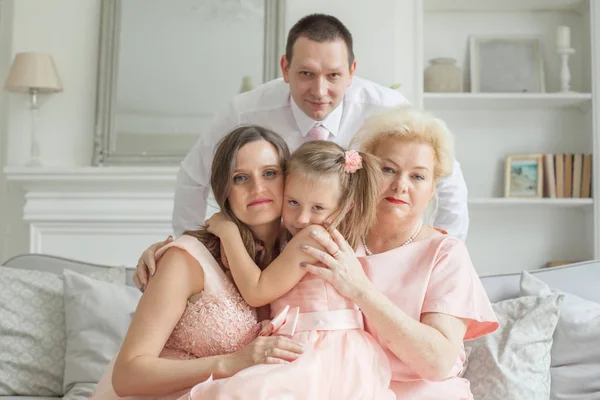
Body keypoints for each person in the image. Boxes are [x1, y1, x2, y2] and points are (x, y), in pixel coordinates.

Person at [172, 12, 469, 246]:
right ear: (285, 68)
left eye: (333, 76)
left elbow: (445, 178)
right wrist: (192, 251)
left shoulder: (387, 108)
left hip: (363, 247)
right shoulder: (245, 112)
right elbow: (192, 178)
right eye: (306, 74)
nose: (320, 90)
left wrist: (443, 254)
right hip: (272, 248)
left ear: (352, 72)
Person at [297, 107, 499, 399]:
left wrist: (360, 289)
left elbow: (438, 362)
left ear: (432, 190)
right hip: (344, 387)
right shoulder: (334, 235)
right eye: (388, 169)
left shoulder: (445, 254)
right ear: (365, 172)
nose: (400, 186)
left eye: (417, 177)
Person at [91, 126, 304, 400]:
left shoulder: (294, 256)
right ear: (223, 190)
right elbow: (127, 376)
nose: (258, 188)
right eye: (240, 178)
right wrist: (228, 363)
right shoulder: (185, 260)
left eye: (270, 173)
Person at [187, 141, 395, 399]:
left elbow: (257, 291)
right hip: (318, 345)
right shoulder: (297, 237)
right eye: (293, 202)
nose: (302, 217)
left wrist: (229, 233)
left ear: (345, 208)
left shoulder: (315, 236)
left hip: (320, 351)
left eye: (318, 208)